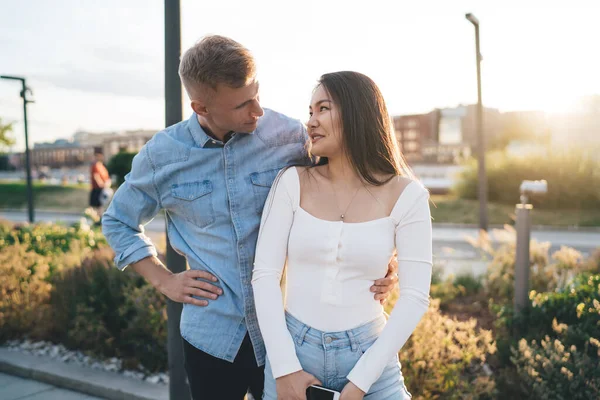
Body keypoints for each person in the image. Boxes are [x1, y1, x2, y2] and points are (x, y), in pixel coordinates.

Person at [101, 36, 398, 400]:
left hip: (287, 336)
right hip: (211, 337)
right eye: (242, 105)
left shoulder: (290, 137)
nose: (257, 110)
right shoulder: (162, 155)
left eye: (257, 95)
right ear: (201, 107)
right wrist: (164, 280)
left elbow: (345, 195)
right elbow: (117, 221)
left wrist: (381, 258)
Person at [252, 71, 433, 399]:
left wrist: (361, 382)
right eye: (310, 112)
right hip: (293, 354)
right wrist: (284, 368)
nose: (311, 122)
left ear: (357, 113)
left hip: (371, 360)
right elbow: (264, 276)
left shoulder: (408, 195)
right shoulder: (292, 182)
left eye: (323, 108)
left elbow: (415, 296)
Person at [90, 147, 111, 218]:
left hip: (100, 188)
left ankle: (98, 218)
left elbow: (100, 177)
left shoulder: (99, 166)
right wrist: (103, 184)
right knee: (98, 205)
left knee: (99, 205)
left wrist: (104, 184)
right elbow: (97, 177)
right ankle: (97, 218)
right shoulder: (98, 166)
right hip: (99, 188)